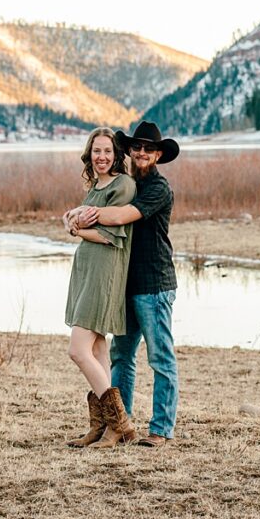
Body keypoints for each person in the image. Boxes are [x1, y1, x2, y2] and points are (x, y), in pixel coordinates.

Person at [70, 121, 179, 448]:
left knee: (160, 358)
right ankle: (118, 423)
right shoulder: (130, 183)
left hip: (155, 284)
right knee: (122, 356)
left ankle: (160, 429)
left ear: (158, 154)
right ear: (130, 151)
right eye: (137, 147)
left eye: (149, 149)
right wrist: (77, 216)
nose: (142, 153)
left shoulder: (158, 189)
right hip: (126, 284)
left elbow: (118, 219)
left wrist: (79, 217)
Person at [61, 127, 138, 449]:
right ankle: (103, 427)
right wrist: (73, 221)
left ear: (116, 154)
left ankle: (121, 424)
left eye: (107, 151)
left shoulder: (123, 185)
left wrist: (77, 228)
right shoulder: (95, 186)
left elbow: (113, 237)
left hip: (105, 271)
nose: (102, 157)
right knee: (97, 350)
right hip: (87, 269)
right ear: (89, 154)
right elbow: (84, 222)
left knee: (78, 350)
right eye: (96, 151)